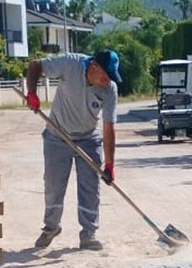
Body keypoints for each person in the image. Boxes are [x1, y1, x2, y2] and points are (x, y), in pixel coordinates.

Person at [25, 49, 121, 251]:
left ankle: (89, 234)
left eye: (110, 78)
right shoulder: (70, 64)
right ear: (94, 66)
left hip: (88, 138)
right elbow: (35, 66)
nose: (107, 82)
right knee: (53, 185)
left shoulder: (109, 89)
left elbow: (108, 127)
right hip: (57, 135)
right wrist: (32, 93)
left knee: (90, 188)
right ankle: (51, 227)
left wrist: (110, 165)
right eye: (105, 76)